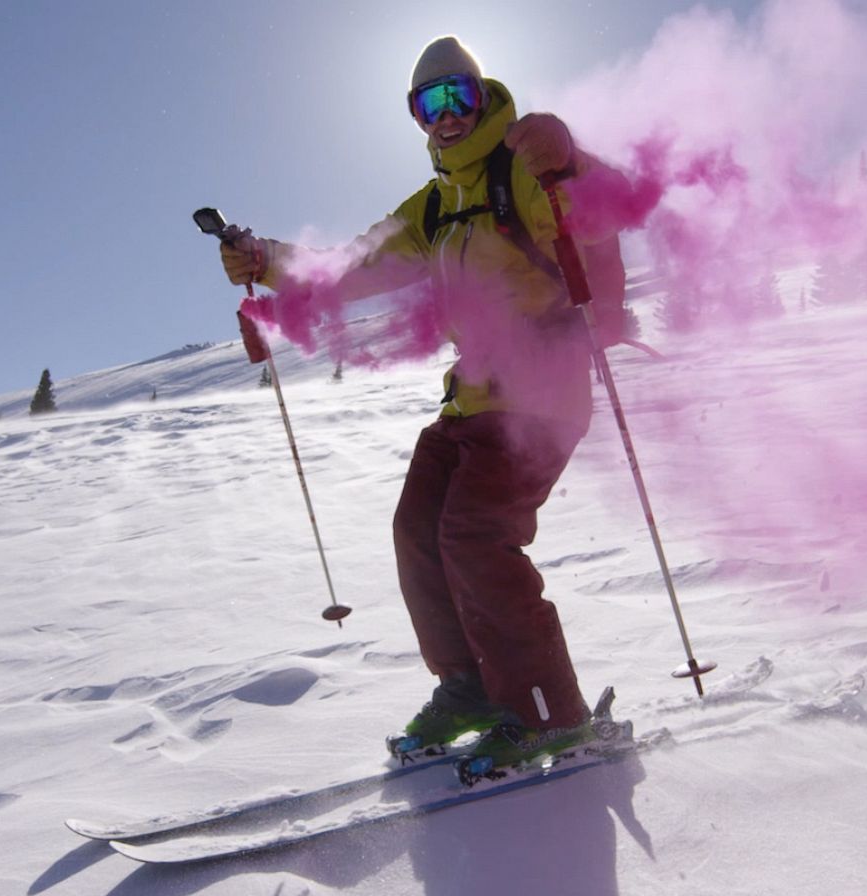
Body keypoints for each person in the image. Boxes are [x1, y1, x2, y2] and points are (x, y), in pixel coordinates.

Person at [217, 36, 626, 769]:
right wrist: (264, 259)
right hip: (474, 399)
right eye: (426, 104)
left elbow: (602, 213)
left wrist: (571, 162)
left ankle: (548, 712)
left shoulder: (521, 168)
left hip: (540, 392)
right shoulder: (436, 205)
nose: (445, 116)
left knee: (474, 537)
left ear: (481, 94)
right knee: (418, 529)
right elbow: (347, 269)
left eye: (456, 97)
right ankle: (469, 688)